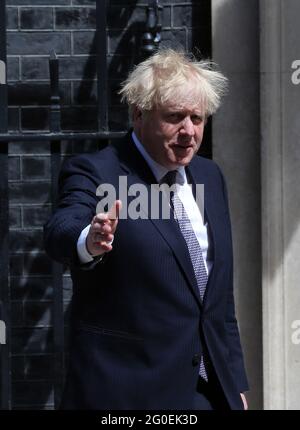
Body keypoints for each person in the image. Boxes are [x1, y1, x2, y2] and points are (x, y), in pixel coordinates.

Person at [44, 49, 249, 410]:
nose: (189, 131)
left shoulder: (209, 176)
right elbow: (62, 226)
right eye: (174, 117)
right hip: (127, 392)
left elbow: (217, 297)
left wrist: (235, 386)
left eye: (197, 119)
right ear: (139, 114)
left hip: (206, 393)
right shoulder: (98, 172)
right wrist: (89, 240)